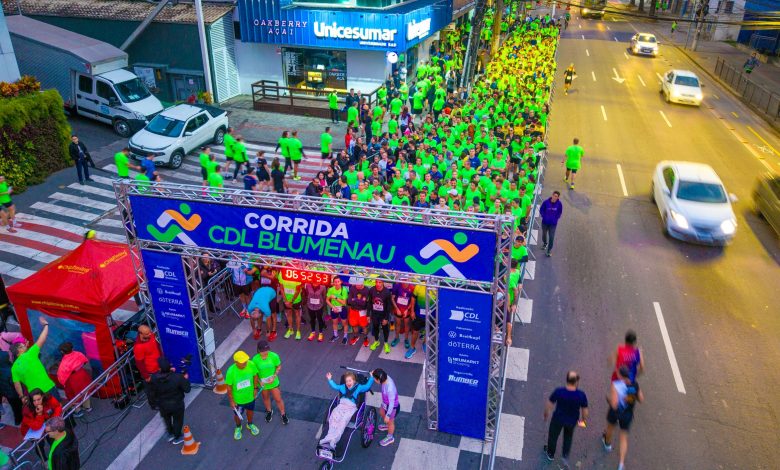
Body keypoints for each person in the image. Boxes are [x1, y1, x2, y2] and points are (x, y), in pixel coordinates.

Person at [318, 370, 375, 450]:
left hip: (350, 407)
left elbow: (367, 387)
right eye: (347, 381)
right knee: (333, 417)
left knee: (343, 421)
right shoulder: (342, 387)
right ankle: (327, 438)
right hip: (341, 406)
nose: (348, 383)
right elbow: (335, 386)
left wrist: (371, 377)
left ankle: (333, 441)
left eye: (350, 381)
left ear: (354, 381)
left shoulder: (358, 387)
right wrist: (330, 379)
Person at [543, 371, 589, 468]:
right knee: (568, 438)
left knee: (553, 436)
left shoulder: (559, 391)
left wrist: (546, 414)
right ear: (576, 382)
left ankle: (550, 453)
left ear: (567, 380)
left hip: (558, 419)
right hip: (572, 422)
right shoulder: (581, 395)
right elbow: (585, 410)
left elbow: (549, 404)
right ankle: (564, 456)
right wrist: (583, 421)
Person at [602, 366, 644, 470]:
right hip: (627, 414)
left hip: (615, 413)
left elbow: (614, 404)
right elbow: (641, 399)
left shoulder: (616, 385)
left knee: (610, 429)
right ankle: (621, 464)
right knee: (623, 438)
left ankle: (607, 445)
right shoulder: (635, 384)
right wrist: (632, 397)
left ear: (621, 376)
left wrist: (609, 398)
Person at [148, 357, 191, 445]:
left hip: (162, 404)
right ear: (169, 367)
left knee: (166, 419)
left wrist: (153, 404)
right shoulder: (178, 377)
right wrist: (185, 379)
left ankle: (170, 433)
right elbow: (187, 389)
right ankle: (177, 436)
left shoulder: (154, 379)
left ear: (159, 369)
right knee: (177, 420)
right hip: (176, 404)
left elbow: (151, 392)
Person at [12, 317, 55, 399]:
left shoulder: (14, 368)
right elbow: (42, 338)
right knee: (58, 406)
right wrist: (46, 325)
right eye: (23, 345)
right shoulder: (30, 353)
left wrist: (22, 396)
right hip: (47, 387)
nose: (25, 346)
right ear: (19, 349)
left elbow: (17, 384)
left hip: (35, 395)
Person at [251, 340, 289, 425]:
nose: (265, 352)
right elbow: (255, 373)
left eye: (267, 350)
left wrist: (274, 376)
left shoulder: (274, 356)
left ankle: (283, 414)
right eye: (263, 351)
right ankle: (269, 411)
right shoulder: (255, 359)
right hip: (262, 384)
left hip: (273, 382)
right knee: (265, 398)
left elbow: (278, 366)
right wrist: (259, 382)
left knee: (278, 399)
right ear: (258, 350)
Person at [225, 350, 260, 440]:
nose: (245, 363)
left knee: (250, 411)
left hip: (250, 397)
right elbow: (229, 388)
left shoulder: (251, 364)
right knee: (238, 415)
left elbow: (255, 376)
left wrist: (255, 388)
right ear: (236, 362)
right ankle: (238, 427)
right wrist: (232, 401)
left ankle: (250, 424)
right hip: (238, 400)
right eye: (242, 362)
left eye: (245, 361)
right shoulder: (231, 371)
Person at [56, 342, 92, 417]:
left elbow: (61, 377)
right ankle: (87, 407)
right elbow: (85, 361)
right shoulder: (78, 354)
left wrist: (64, 383)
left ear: (62, 352)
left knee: (73, 395)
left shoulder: (63, 363)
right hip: (82, 374)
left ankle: (78, 411)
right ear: (72, 348)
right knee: (85, 390)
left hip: (72, 380)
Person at [371, 368, 399, 447]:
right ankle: (387, 425)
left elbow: (392, 404)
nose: (374, 380)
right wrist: (374, 373)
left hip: (392, 407)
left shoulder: (390, 389)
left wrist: (388, 415)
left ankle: (390, 437)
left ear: (379, 380)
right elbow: (380, 373)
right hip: (385, 403)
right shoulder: (384, 377)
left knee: (390, 422)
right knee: (381, 412)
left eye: (374, 379)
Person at [277, 269, 303, 340]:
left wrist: (291, 301)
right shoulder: (281, 273)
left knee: (297, 314)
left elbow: (298, 290)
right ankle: (290, 329)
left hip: (296, 300)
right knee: (288, 314)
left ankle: (298, 331)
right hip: (286, 299)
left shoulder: (297, 274)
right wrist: (286, 301)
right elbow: (281, 288)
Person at [368, 280, 392, 354]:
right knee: (375, 327)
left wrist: (386, 318)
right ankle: (376, 341)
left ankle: (385, 342)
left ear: (383, 283)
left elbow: (389, 306)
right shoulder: (372, 290)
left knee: (385, 329)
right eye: (376, 282)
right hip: (375, 314)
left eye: (380, 282)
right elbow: (369, 302)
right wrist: (368, 315)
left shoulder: (387, 292)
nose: (378, 284)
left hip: (383, 314)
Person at [0, 348, 22, 426]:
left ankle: (17, 420)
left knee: (14, 407)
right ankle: (21, 418)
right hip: (15, 392)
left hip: (7, 393)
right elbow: (14, 383)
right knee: (20, 404)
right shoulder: (10, 370)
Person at [347, 277, 370, 347]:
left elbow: (364, 304)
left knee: (364, 326)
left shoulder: (367, 290)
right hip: (353, 310)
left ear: (362, 283)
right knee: (354, 325)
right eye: (356, 284)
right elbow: (349, 301)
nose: (357, 286)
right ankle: (355, 336)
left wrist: (354, 299)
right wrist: (360, 300)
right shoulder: (352, 288)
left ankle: (366, 338)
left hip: (362, 311)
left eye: (358, 285)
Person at [391, 281, 415, 350]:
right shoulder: (397, 286)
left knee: (406, 325)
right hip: (398, 309)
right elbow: (392, 298)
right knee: (397, 324)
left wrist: (407, 309)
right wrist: (397, 309)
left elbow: (412, 301)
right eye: (403, 281)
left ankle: (406, 339)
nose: (405, 283)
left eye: (406, 281)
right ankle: (396, 338)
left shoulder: (412, 287)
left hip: (406, 310)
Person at [539, 191, 563, 257]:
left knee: (551, 237)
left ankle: (549, 250)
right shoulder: (546, 202)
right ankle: (545, 243)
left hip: (553, 224)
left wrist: (556, 218)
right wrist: (544, 216)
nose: (555, 197)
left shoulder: (559, 204)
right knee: (544, 234)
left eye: (557, 196)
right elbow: (541, 210)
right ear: (552, 195)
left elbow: (560, 212)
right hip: (545, 222)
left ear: (558, 197)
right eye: (554, 196)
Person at [326, 276, 349, 344]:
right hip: (334, 308)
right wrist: (333, 307)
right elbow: (327, 300)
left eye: (338, 282)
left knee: (344, 323)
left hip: (342, 308)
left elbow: (344, 303)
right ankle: (335, 335)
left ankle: (345, 337)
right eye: (335, 282)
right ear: (333, 283)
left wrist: (336, 297)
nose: (336, 283)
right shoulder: (331, 290)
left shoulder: (344, 290)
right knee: (334, 323)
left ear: (341, 282)